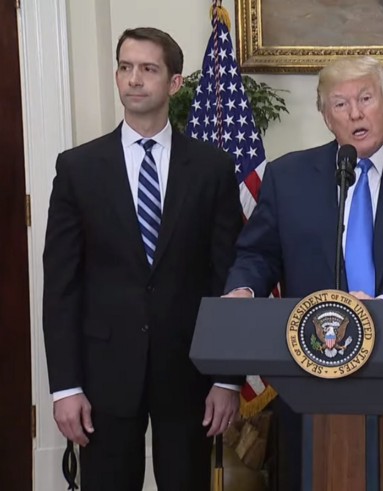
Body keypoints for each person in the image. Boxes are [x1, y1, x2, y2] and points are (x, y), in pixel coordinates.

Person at [223, 55, 383, 490]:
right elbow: (258, 254)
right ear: (324, 116)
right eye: (340, 104)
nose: (355, 113)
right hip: (310, 385)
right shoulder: (288, 176)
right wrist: (243, 288)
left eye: (366, 98)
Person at [42, 27, 244, 490]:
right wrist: (66, 387)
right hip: (104, 377)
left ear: (174, 83)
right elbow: (62, 286)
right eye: (125, 68)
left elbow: (227, 278)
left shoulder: (213, 169)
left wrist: (228, 379)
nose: (134, 79)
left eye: (148, 69)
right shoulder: (78, 169)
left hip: (190, 374)